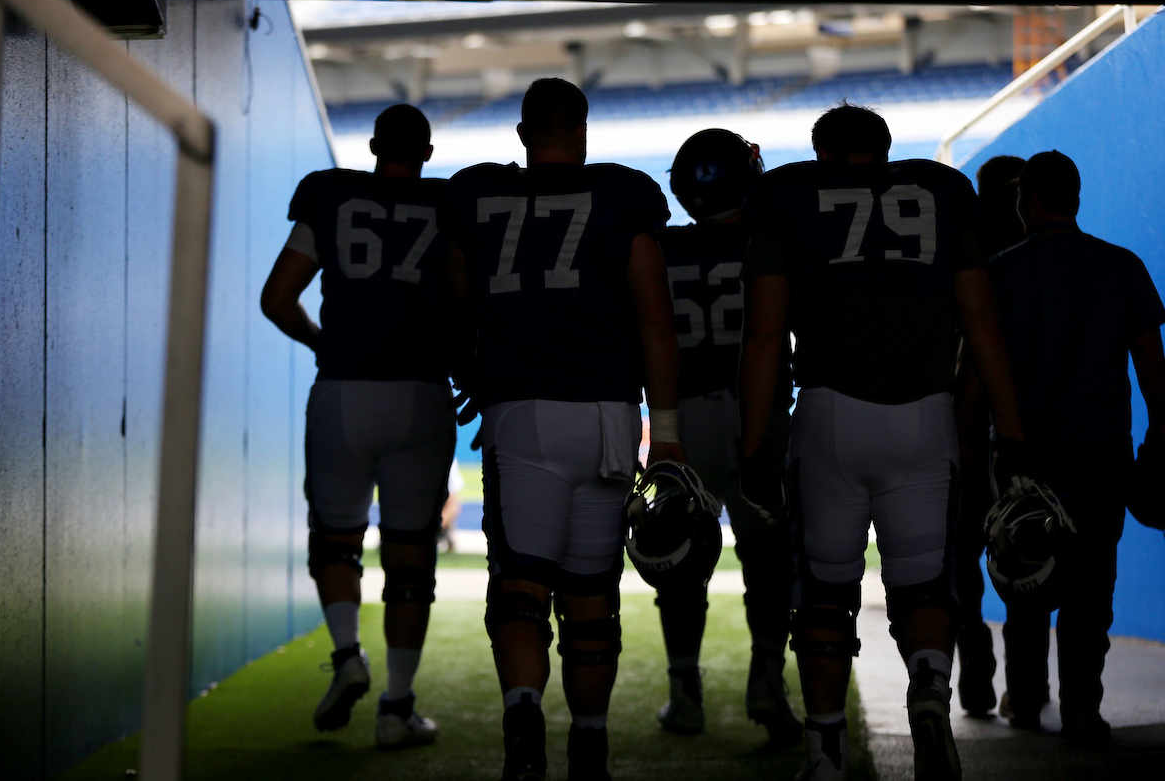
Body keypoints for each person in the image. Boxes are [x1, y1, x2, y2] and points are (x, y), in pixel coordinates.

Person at [738, 103, 1029, 781]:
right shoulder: (941, 192)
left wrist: (754, 444)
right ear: (886, 147)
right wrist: (1012, 439)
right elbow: (983, 328)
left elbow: (762, 340)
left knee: (824, 593)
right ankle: (929, 690)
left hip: (830, 416)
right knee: (925, 585)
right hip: (925, 419)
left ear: (821, 155)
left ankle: (826, 750)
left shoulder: (789, 196)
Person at [439, 77, 683, 781]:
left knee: (519, 586)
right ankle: (591, 742)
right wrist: (663, 432)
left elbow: (452, 299)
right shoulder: (621, 195)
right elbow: (655, 320)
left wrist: (472, 369)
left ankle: (523, 718)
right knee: (591, 595)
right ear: (583, 129)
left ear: (522, 134)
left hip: (522, 415)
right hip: (609, 416)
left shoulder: (476, 195)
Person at [260, 104, 453, 747]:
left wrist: (322, 344)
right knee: (410, 560)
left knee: (335, 540)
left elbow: (277, 298)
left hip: (344, 389)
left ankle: (348, 657)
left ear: (373, 147)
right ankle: (397, 708)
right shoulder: (448, 204)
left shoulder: (331, 195)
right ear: (427, 153)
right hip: (423, 391)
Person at [984, 150, 1165, 746]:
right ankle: (1083, 708)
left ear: (1029, 200)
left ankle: (1027, 698)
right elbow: (1151, 367)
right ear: (1076, 197)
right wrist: (1160, 436)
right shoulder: (1123, 266)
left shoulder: (1002, 271)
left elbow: (983, 373)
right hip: (1101, 456)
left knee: (1025, 578)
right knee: (1093, 587)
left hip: (1023, 458)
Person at [651, 128, 801, 746]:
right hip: (756, 412)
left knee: (682, 556)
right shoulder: (772, 241)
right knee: (769, 554)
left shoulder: (658, 248)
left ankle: (685, 693)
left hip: (683, 418)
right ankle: (767, 676)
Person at [954, 154, 1027, 717]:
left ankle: (977, 678)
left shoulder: (964, 252)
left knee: (960, 572)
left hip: (966, 435)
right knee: (1025, 565)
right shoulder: (1034, 260)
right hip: (1022, 436)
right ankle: (1024, 693)